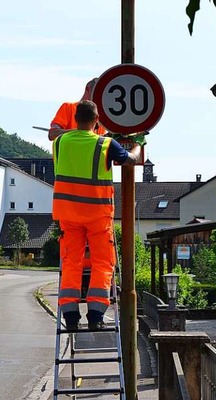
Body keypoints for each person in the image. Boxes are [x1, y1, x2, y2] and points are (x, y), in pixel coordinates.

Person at [52, 100, 143, 330]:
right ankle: (96, 316)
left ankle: (70, 318)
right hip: (97, 215)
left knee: (71, 262)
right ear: (96, 120)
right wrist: (139, 144)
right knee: (103, 263)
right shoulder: (105, 144)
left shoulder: (61, 142)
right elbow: (130, 161)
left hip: (68, 214)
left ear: (75, 118)